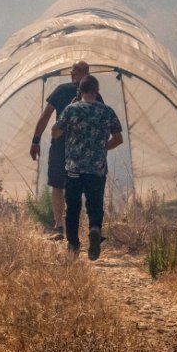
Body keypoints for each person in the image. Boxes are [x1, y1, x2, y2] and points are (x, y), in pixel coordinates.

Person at [51, 75, 123, 259]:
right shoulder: (107, 111)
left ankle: (73, 244)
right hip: (97, 168)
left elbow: (56, 131)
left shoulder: (71, 110)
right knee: (95, 204)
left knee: (73, 206)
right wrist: (102, 147)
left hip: (74, 167)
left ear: (80, 91)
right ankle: (94, 229)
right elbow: (118, 139)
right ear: (97, 91)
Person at [29, 60, 102, 238]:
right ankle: (68, 227)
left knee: (66, 186)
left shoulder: (72, 92)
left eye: (74, 71)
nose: (72, 74)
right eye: (72, 71)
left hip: (69, 147)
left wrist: (36, 140)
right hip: (76, 149)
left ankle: (66, 227)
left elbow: (47, 116)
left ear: (81, 73)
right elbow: (46, 115)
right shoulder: (78, 93)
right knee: (68, 185)